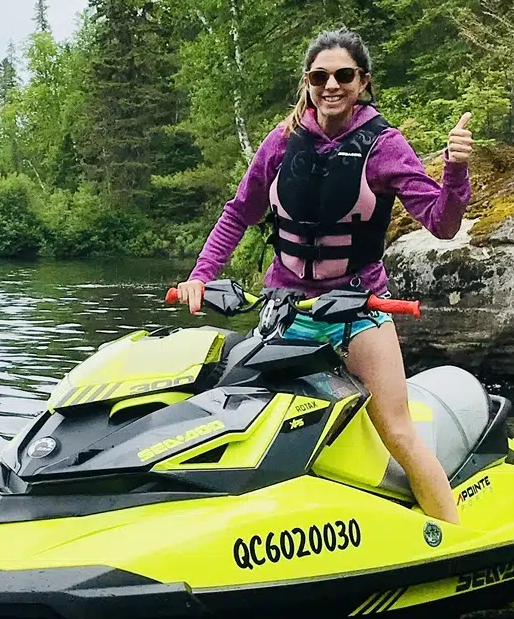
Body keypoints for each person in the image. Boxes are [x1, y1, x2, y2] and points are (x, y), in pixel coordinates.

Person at [176, 28, 474, 523]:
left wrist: (456, 170)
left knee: (396, 430)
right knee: (251, 424)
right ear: (307, 82)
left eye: (343, 76)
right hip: (287, 311)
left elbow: (442, 225)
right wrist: (201, 275)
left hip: (360, 309)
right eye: (320, 76)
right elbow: (237, 213)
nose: (330, 85)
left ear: (363, 82)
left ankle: (455, 535)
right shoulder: (281, 142)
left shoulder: (385, 146)